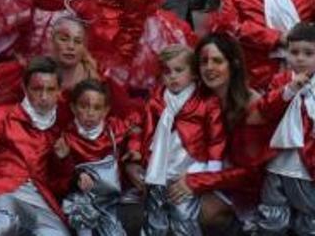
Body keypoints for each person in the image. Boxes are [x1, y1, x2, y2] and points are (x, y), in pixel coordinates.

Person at [176, 33, 289, 231]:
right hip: (216, 174)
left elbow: (251, 173)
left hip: (249, 188)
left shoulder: (252, 107)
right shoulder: (198, 99)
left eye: (217, 61)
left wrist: (197, 181)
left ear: (234, 64)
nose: (209, 68)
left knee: (202, 210)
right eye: (203, 62)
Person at [0, 56, 69, 236]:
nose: (44, 97)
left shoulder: (60, 127)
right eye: (37, 89)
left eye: (50, 89)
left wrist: (63, 160)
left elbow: (60, 182)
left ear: (59, 91)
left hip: (40, 197)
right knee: (2, 224)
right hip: (4, 187)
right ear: (25, 89)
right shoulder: (2, 115)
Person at [125, 45, 226, 236]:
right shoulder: (156, 99)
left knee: (184, 218)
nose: (172, 76)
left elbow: (216, 137)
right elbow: (140, 126)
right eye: (167, 71)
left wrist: (211, 172)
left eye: (179, 70)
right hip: (156, 170)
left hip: (186, 172)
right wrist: (135, 150)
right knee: (154, 218)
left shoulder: (205, 102)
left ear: (194, 74)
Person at [254, 22, 315, 234]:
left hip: (308, 166)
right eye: (294, 52)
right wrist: (289, 90)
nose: (300, 58)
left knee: (309, 217)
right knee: (272, 213)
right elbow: (265, 109)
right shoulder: (280, 80)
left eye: (308, 53)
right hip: (278, 161)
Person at [54, 79, 133, 236]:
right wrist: (65, 161)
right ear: (73, 108)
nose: (90, 113)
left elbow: (137, 128)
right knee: (82, 213)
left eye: (97, 108)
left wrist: (134, 152)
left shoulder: (114, 130)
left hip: (109, 200)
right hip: (82, 202)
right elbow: (59, 176)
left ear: (105, 110)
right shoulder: (67, 137)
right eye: (84, 106)